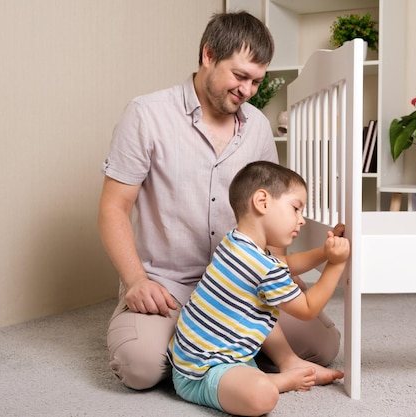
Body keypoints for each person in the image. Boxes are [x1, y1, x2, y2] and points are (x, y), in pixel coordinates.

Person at [98, 11, 342, 391]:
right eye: (240, 76)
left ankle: (226, 349)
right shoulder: (146, 115)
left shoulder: (258, 126)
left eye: (256, 81)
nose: (247, 90)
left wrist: (279, 268)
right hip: (168, 286)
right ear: (208, 55)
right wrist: (135, 282)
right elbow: (113, 208)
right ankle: (225, 352)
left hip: (244, 282)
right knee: (139, 367)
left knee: (323, 346)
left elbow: (271, 208)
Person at [169, 161, 350, 415]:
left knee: (262, 307)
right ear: (262, 202)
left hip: (193, 355)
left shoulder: (235, 242)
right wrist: (336, 263)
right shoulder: (261, 267)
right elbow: (308, 309)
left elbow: (285, 263)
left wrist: (324, 251)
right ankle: (283, 378)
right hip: (202, 372)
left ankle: (287, 365)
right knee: (262, 396)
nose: (302, 220)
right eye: (296, 208)